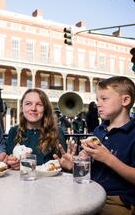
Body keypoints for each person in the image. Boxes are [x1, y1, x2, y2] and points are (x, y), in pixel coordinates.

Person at [54, 76, 135, 214]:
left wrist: (108, 158)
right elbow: (89, 169)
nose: (98, 103)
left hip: (118, 200)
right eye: (97, 99)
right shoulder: (99, 130)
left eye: (104, 99)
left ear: (125, 100)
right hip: (89, 191)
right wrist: (74, 165)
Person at [6, 88, 66, 169]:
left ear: (45, 109)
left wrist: (68, 166)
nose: (33, 108)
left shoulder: (57, 132)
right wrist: (11, 163)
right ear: (22, 107)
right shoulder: (13, 132)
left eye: (39, 104)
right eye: (28, 103)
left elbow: (65, 163)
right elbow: (8, 161)